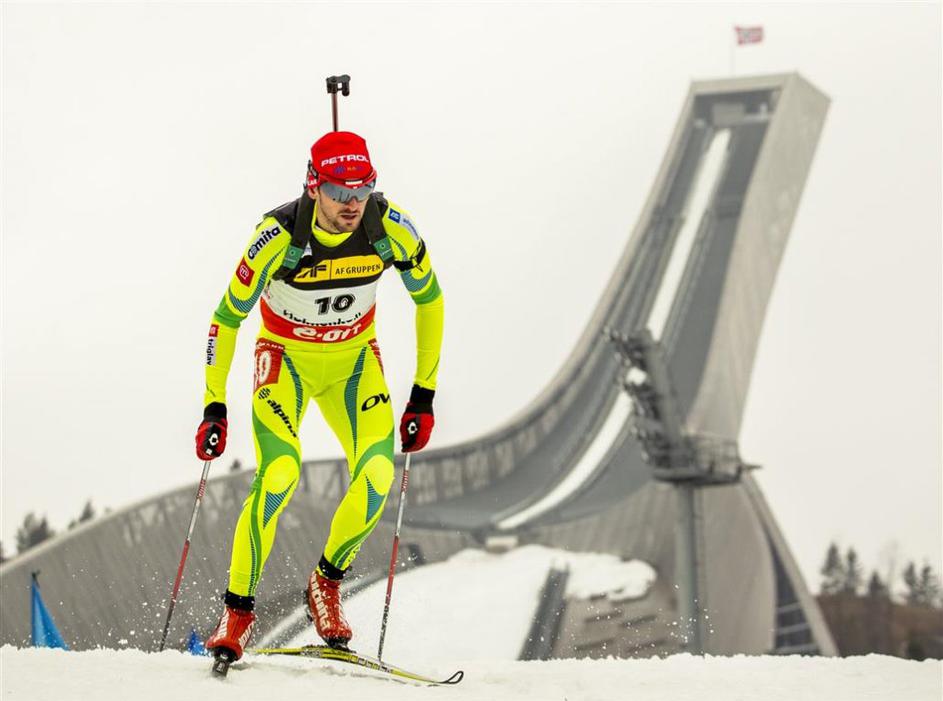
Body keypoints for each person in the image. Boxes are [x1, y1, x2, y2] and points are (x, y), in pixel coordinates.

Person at [194, 131, 444, 661]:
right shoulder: (276, 236)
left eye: (364, 189)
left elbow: (431, 300)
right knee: (280, 473)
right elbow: (226, 318)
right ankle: (238, 612)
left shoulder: (389, 227)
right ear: (315, 186)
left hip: (353, 365)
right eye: (340, 190)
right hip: (286, 363)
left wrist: (423, 394)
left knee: (378, 475)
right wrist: (214, 403)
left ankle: (325, 584)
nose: (353, 203)